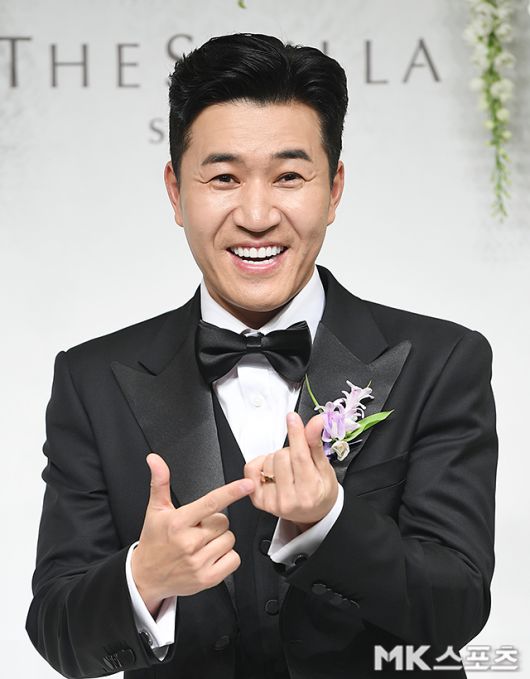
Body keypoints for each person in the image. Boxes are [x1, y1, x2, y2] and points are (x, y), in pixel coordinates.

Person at [26, 33, 498, 679]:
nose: (255, 214)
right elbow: (57, 631)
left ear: (334, 189)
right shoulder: (90, 380)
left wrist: (330, 523)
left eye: (289, 176)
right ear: (175, 192)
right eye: (223, 177)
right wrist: (144, 578)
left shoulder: (442, 361)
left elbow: (458, 605)